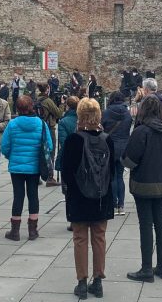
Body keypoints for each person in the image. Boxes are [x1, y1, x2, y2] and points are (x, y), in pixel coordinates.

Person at [62, 97, 115, 299]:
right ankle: (98, 281)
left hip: (79, 196)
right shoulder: (107, 139)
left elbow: (66, 171)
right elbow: (112, 170)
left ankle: (82, 282)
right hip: (102, 196)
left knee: (80, 239)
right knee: (99, 238)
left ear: (80, 116)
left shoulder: (74, 140)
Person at [123, 95, 162, 282]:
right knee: (161, 223)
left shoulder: (141, 132)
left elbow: (129, 159)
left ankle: (146, 268)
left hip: (143, 184)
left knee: (145, 224)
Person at [1, 95, 52, 241]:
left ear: (18, 108)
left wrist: (12, 156)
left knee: (18, 196)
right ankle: (32, 230)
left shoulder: (13, 124)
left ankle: (15, 231)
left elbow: (5, 146)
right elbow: (49, 145)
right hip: (34, 165)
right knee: (33, 195)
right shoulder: (41, 124)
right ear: (32, 107)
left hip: (17, 166)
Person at [101, 90, 132, 215]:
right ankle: (121, 205)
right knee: (120, 176)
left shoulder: (106, 113)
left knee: (112, 176)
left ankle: (113, 203)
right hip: (124, 147)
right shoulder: (127, 113)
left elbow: (102, 127)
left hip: (110, 146)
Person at [35, 82, 61, 186]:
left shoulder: (36, 99)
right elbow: (58, 113)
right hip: (49, 128)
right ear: (47, 90)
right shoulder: (48, 101)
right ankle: (50, 177)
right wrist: (62, 104)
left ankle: (37, 177)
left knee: (38, 152)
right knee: (50, 151)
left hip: (38, 127)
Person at [56, 96, 79, 202]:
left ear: (68, 106)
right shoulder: (82, 119)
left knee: (67, 185)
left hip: (67, 156)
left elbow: (63, 142)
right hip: (81, 155)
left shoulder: (64, 121)